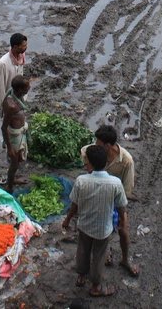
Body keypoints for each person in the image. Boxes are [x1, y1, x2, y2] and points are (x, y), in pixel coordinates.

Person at [62, 145, 128, 298]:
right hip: (103, 229)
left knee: (83, 251)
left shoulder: (81, 181)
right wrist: (122, 223)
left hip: (84, 226)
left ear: (90, 164)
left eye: (86, 162)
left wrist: (67, 219)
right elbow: (121, 206)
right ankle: (96, 286)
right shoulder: (115, 183)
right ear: (105, 163)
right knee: (99, 256)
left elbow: (75, 205)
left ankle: (81, 276)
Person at [81, 126, 139, 276]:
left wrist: (122, 215)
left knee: (123, 231)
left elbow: (125, 194)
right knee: (100, 230)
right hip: (97, 196)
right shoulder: (93, 151)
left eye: (98, 143)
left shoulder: (126, 161)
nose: (95, 144)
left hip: (114, 198)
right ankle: (105, 253)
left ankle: (125, 260)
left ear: (107, 145)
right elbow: (85, 159)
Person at [1, 75, 31, 192]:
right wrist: (9, 148)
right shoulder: (12, 106)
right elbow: (3, 128)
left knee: (17, 161)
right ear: (19, 90)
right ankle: (9, 186)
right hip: (14, 138)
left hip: (19, 134)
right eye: (27, 87)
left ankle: (12, 179)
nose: (29, 88)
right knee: (14, 163)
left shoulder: (13, 94)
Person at [0, 32, 28, 110]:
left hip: (18, 97)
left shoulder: (21, 57)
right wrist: (2, 106)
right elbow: (0, 87)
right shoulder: (3, 63)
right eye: (24, 46)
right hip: (8, 99)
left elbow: (20, 76)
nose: (26, 47)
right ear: (16, 47)